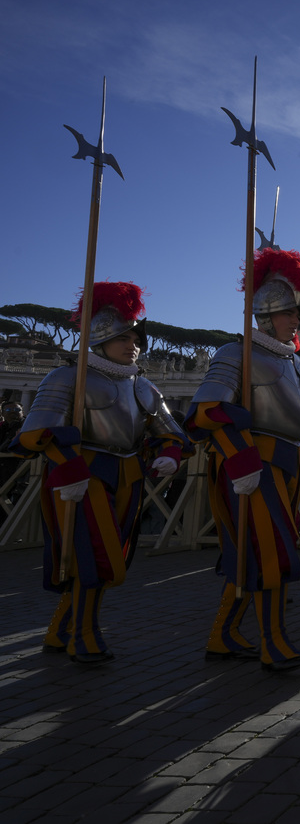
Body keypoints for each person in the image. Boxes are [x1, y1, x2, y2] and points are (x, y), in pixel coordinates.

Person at [13, 282, 187, 663]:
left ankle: (61, 629)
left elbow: (170, 433)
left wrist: (170, 454)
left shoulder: (144, 386)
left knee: (112, 558)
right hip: (83, 474)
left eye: (136, 338)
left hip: (129, 475)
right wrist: (70, 465)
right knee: (94, 557)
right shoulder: (66, 378)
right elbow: (35, 434)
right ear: (101, 338)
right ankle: (84, 635)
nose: (133, 345)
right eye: (123, 337)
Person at [187, 250, 300, 672]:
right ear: (268, 315)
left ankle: (223, 634)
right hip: (250, 467)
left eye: (297, 313)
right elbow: (206, 412)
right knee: (275, 553)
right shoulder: (236, 354)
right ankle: (274, 641)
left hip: (286, 466)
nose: (297, 321)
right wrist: (242, 460)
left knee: (253, 552)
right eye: (290, 313)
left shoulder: (297, 363)